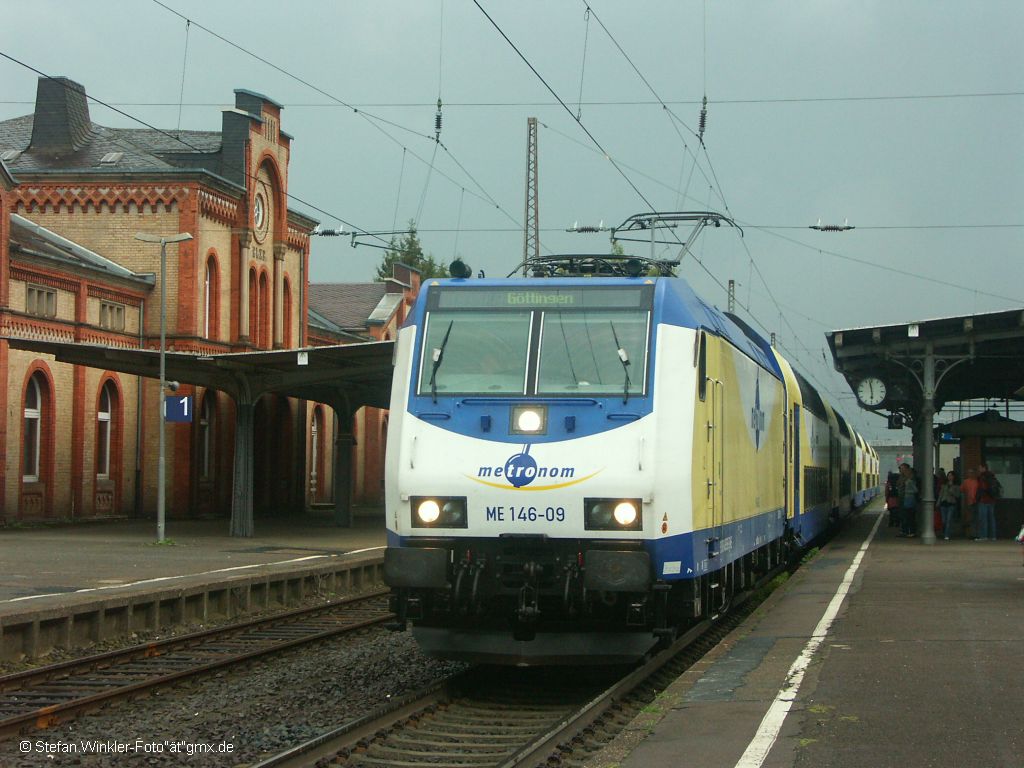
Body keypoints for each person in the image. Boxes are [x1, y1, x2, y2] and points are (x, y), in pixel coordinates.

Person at [975, 463, 998, 541]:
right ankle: (993, 536)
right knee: (992, 518)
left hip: (983, 500)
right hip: (992, 500)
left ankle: (983, 536)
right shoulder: (992, 476)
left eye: (980, 468)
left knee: (983, 519)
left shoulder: (982, 477)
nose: (979, 469)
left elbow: (982, 488)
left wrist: (977, 496)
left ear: (984, 468)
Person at [937, 470, 960, 540]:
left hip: (951, 503)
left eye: (951, 476)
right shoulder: (944, 485)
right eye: (948, 476)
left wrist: (952, 492)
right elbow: (941, 494)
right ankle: (944, 532)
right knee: (944, 520)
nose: (950, 477)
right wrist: (938, 502)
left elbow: (958, 495)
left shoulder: (956, 486)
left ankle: (947, 535)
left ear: (954, 477)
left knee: (949, 520)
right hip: (943, 503)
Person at [897, 463, 918, 538]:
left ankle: (910, 531)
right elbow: (898, 485)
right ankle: (904, 530)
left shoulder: (911, 478)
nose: (901, 470)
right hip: (902, 498)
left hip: (908, 498)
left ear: (906, 469)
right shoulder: (902, 477)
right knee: (903, 516)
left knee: (909, 516)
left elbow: (914, 489)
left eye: (902, 468)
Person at [960, 468, 979, 539]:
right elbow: (961, 490)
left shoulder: (977, 481)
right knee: (972, 519)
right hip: (970, 502)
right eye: (969, 473)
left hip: (976, 502)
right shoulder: (966, 482)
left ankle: (975, 534)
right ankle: (973, 534)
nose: (970, 474)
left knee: (975, 519)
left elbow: (962, 490)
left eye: (971, 472)